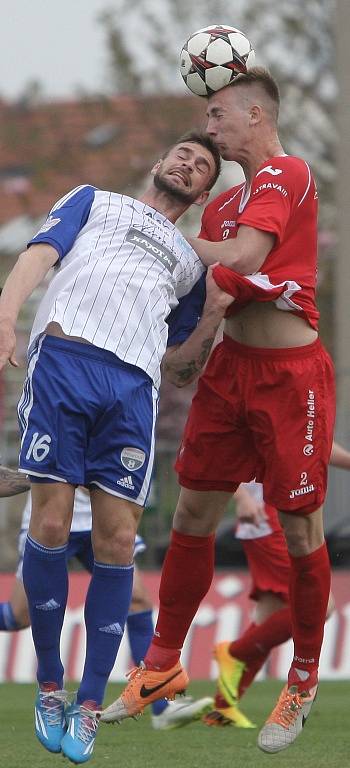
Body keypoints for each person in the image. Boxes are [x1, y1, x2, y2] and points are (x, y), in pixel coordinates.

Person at [102, 68, 336, 755]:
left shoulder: (288, 172)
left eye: (216, 115)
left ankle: (301, 681)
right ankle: (162, 665)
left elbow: (243, 257)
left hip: (292, 381)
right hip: (230, 375)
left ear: (255, 115)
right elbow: (214, 294)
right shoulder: (221, 204)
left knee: (299, 535)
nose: (208, 127)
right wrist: (189, 348)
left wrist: (153, 231)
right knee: (192, 516)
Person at [0, 131, 231, 764]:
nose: (188, 163)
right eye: (182, 154)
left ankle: (92, 703)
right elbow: (37, 255)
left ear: (204, 190)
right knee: (48, 521)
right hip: (66, 359)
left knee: (114, 543)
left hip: (134, 389)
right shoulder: (95, 201)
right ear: (160, 164)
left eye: (202, 165)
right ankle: (51, 687)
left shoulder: (190, 261)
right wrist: (6, 313)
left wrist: (212, 316)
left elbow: (180, 366)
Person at [0, 484, 213, 729]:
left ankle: (161, 707)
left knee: (137, 600)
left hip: (101, 516)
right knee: (19, 615)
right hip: (53, 517)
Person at [203, 440, 350, 727]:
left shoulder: (302, 405)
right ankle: (234, 652)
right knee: (321, 605)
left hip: (274, 513)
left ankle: (222, 708)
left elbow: (317, 442)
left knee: (271, 614)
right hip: (266, 516)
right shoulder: (261, 398)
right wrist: (242, 495)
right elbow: (218, 447)